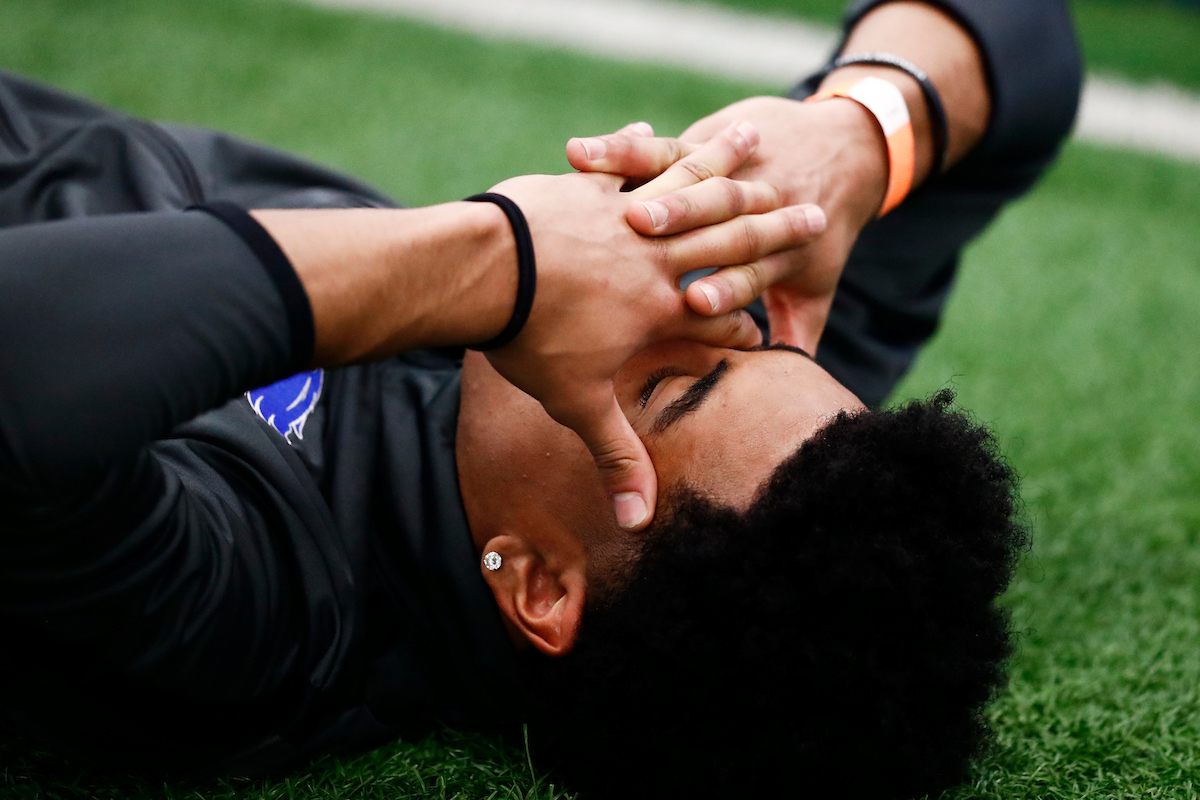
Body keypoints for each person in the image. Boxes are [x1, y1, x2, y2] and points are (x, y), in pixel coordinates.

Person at [0, 0, 1080, 798]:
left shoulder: (254, 608)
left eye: (672, 380)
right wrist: (859, 131)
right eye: (749, 330)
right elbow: (1027, 39)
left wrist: (501, 260)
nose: (688, 300)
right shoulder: (763, 419)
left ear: (538, 585)